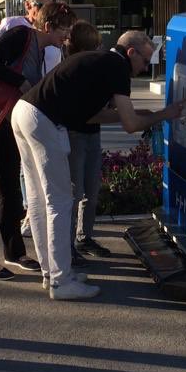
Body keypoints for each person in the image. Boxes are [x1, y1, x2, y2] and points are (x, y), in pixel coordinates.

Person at [11, 30, 186, 300]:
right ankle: (61, 282)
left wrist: (143, 114)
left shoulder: (101, 62)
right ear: (131, 52)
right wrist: (164, 114)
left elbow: (93, 117)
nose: (144, 68)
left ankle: (51, 274)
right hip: (44, 120)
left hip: (24, 111)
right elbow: (130, 125)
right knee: (60, 201)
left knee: (37, 199)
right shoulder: (118, 67)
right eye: (145, 61)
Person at [0, 1, 75, 281]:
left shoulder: (43, 51)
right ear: (48, 26)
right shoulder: (21, 35)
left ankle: (14, 251)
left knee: (10, 186)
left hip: (8, 120)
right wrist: (20, 81)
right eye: (64, 29)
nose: (67, 35)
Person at [63, 21, 111, 265]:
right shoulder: (72, 68)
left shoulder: (95, 67)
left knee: (91, 190)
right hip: (75, 134)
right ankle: (68, 245)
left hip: (92, 133)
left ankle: (83, 237)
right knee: (75, 192)